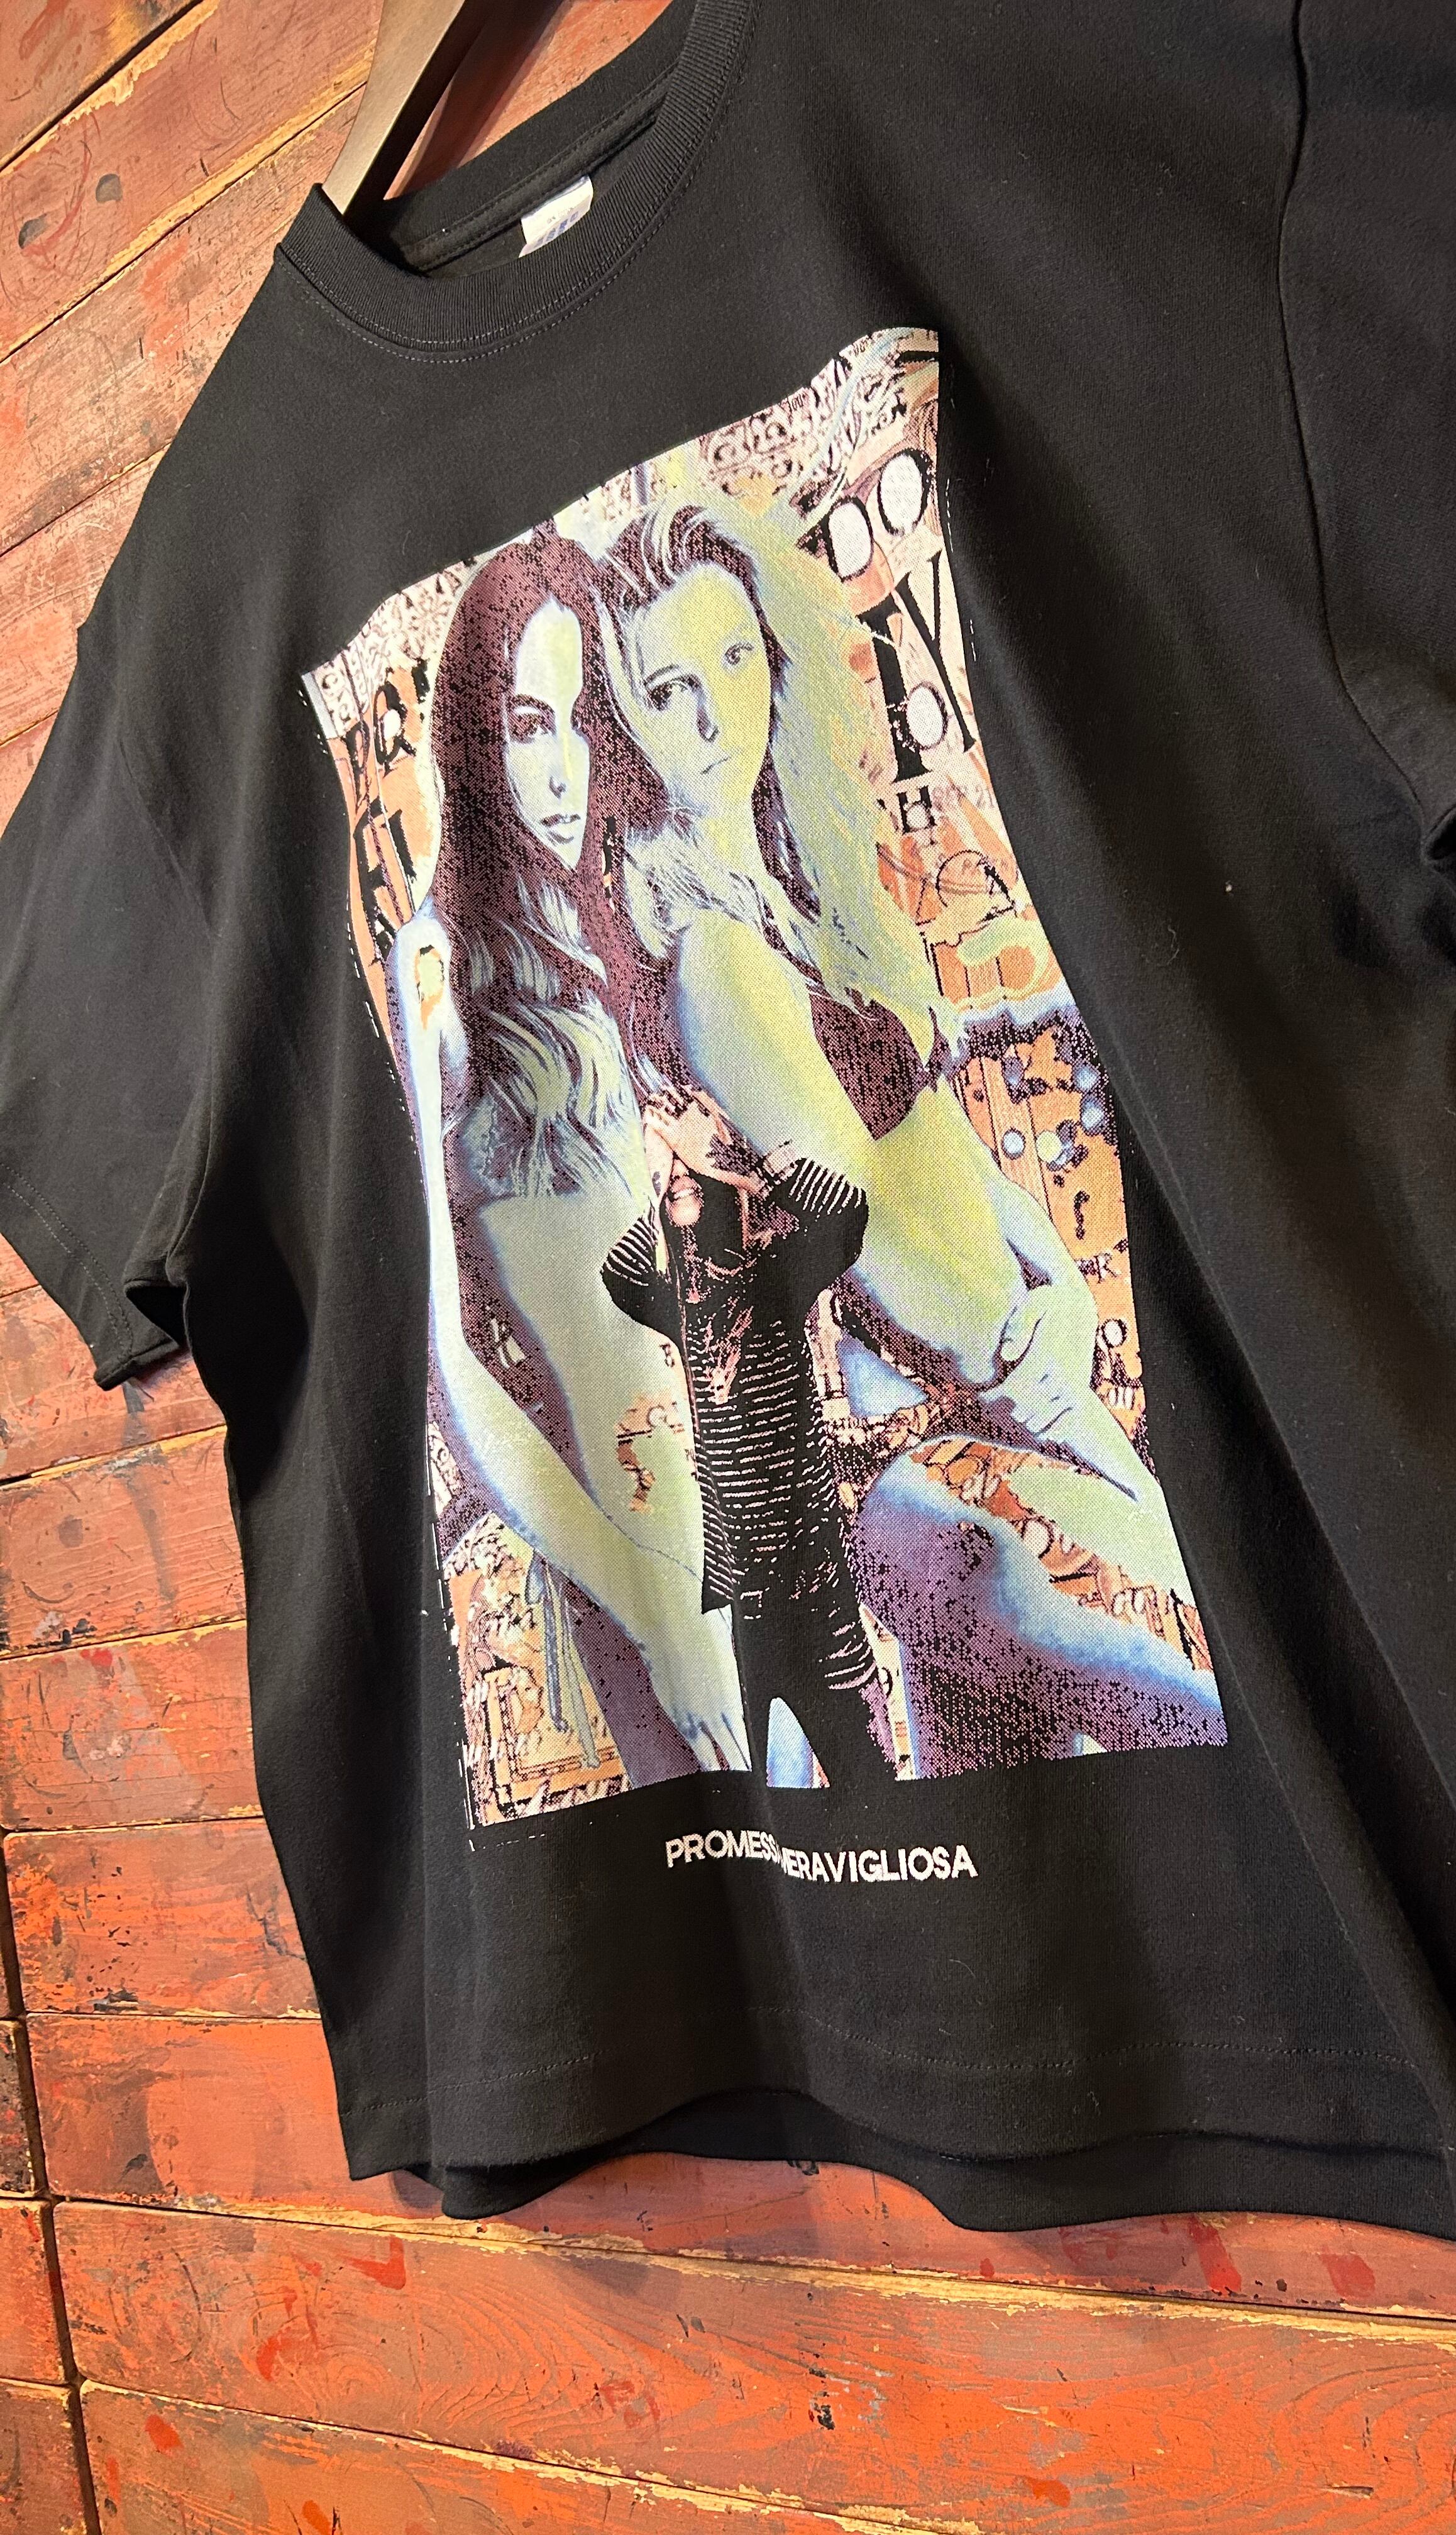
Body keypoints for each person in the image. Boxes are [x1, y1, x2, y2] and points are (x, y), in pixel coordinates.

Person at [589, 494, 1227, 1772]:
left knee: (1026, 1819)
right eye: (667, 690)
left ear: (772, 655)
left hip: (982, 1410)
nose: (713, 718)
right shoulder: (712, 954)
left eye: (731, 658)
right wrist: (1051, 1395)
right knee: (1215, 1714)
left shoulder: (791, 892)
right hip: (930, 1447)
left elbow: (945, 1139)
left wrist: (1059, 1297)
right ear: (626, 722)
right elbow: (863, 1229)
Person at [384, 526, 750, 1782]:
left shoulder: (618, 918)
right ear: (471, 742)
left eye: (584, 720)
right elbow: (452, 1373)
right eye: (526, 725)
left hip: (753, 1528)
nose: (561, 770)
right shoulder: (439, 970)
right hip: (640, 1580)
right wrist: (654, 1612)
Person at [601, 1094, 896, 1794]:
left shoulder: (774, 1272)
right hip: (738, 1612)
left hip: (818, 1596)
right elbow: (620, 1274)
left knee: (875, 1793)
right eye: (668, 1168)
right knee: (753, 1810)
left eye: (689, 1166)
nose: (680, 1173)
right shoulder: (675, 1300)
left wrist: (739, 1159)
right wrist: (655, 1173)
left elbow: (846, 1216)